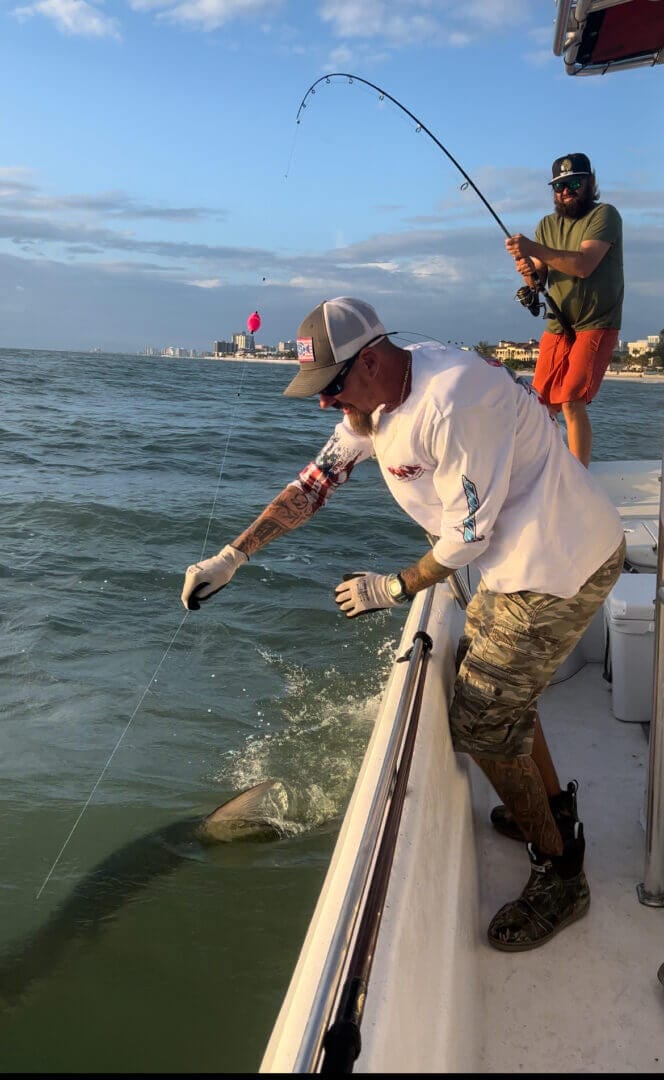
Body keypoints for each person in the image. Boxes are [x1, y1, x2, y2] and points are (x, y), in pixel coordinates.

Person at [181, 296, 625, 952]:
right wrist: (232, 556)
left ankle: (562, 873)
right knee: (498, 697)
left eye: (329, 388)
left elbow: (465, 538)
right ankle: (554, 813)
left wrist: (388, 588)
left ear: (369, 362)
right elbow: (315, 483)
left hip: (563, 561)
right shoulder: (371, 403)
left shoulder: (453, 400)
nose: (325, 405)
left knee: (481, 718)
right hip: (517, 563)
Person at [505, 152, 623, 467]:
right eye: (559, 186)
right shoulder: (547, 224)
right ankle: (542, 468)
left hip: (596, 322)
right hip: (558, 324)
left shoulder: (605, 216)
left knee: (571, 399)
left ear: (589, 182)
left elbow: (583, 265)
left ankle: (577, 478)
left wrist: (532, 248)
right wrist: (528, 270)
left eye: (574, 183)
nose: (566, 191)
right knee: (539, 403)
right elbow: (541, 273)